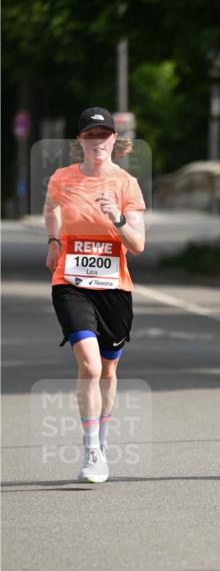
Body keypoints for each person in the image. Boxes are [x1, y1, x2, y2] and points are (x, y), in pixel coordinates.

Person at [44, 107, 146, 483]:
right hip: (70, 283)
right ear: (80, 141)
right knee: (89, 365)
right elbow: (51, 209)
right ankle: (90, 451)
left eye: (104, 135)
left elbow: (138, 245)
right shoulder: (62, 178)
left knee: (108, 370)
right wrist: (54, 241)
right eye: (90, 135)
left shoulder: (126, 184)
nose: (97, 141)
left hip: (114, 288)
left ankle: (102, 441)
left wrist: (116, 219)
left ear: (114, 140)